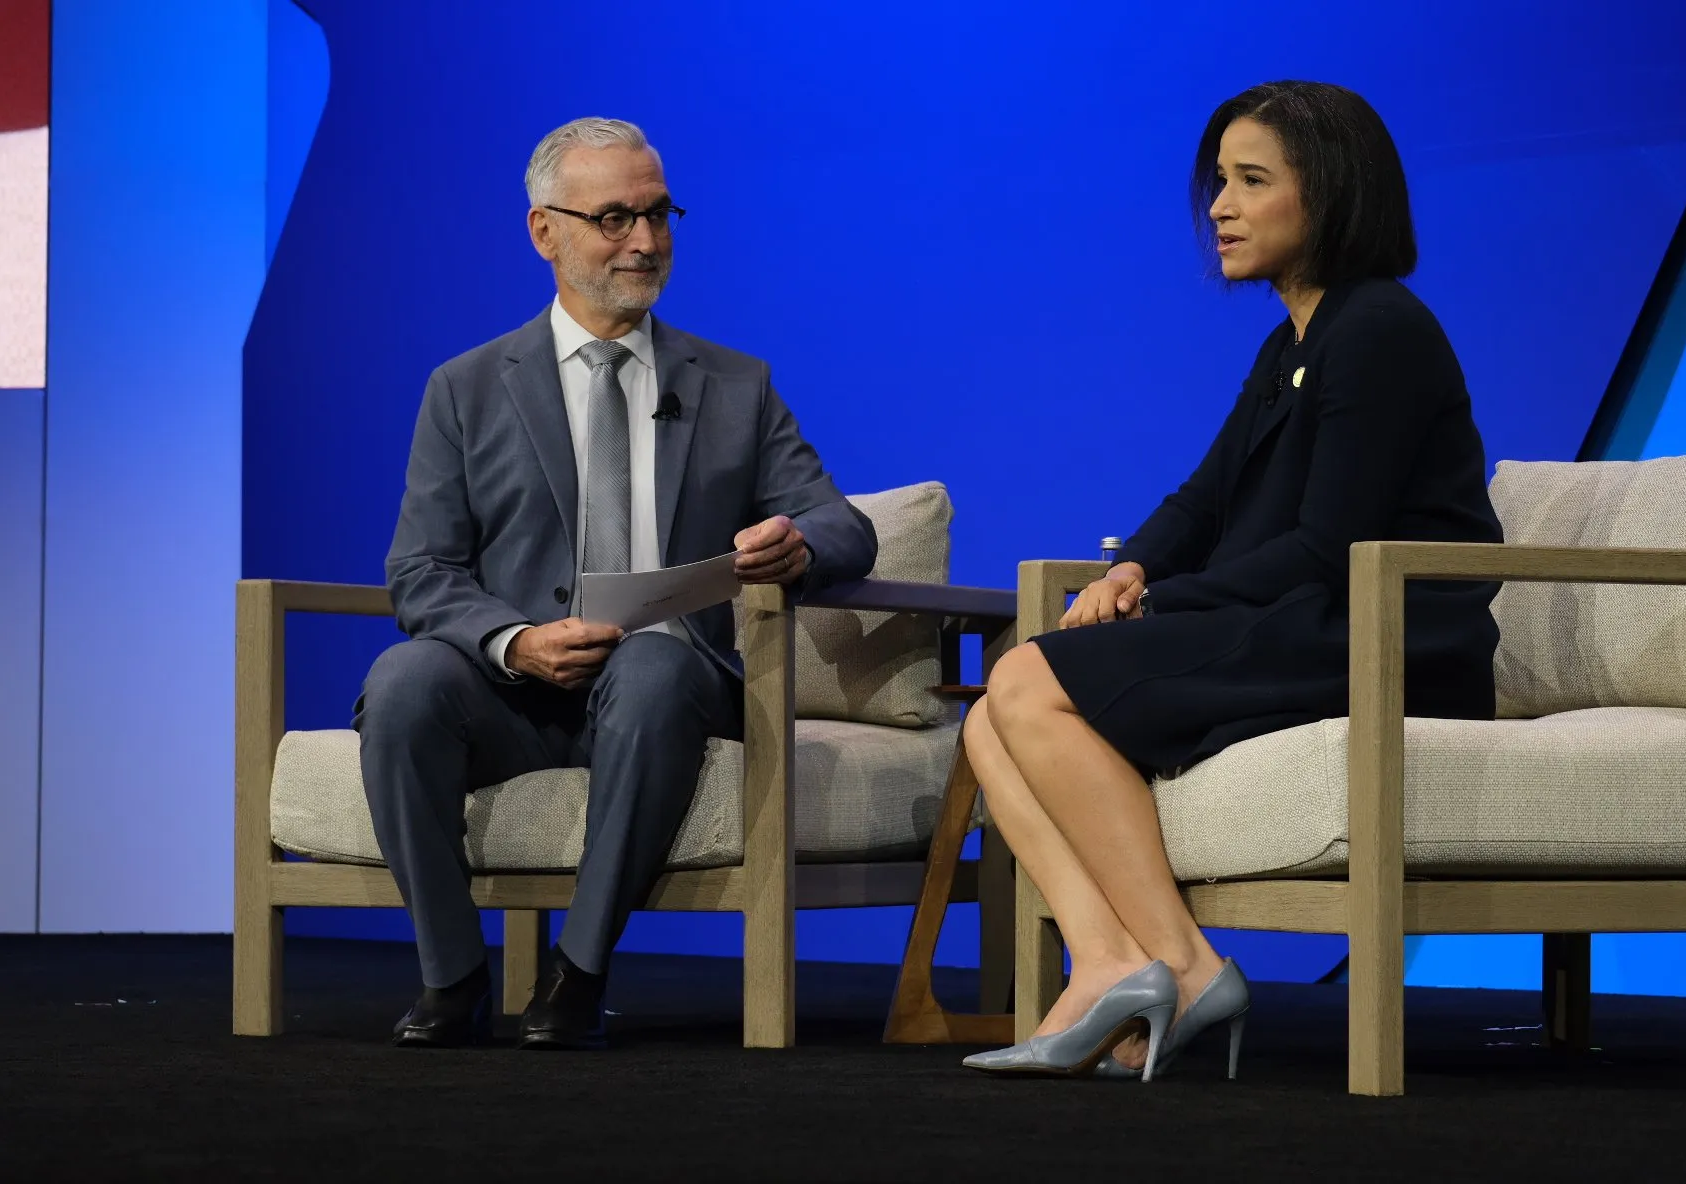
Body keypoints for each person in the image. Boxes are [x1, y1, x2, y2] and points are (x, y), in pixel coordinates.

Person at [961, 81, 1503, 1082]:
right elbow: (1206, 499)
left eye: (1251, 181)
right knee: (989, 715)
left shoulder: (1380, 328)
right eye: (1219, 181)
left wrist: (1159, 602)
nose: (1218, 205)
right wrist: (1132, 566)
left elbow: (1325, 545)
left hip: (1382, 634)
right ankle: (1108, 961)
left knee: (1029, 678)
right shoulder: (1292, 340)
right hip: (1309, 617)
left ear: (1330, 194)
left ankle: (1182, 961)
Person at [357, 117, 877, 1050]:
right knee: (401, 684)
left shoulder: (734, 384)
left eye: (657, 214)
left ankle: (578, 974)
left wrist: (797, 544)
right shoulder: (467, 389)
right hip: (515, 690)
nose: (644, 241)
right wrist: (514, 642)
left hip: (666, 689)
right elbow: (420, 569)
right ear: (544, 232)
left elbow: (844, 525)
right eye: (613, 219)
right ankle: (452, 975)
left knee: (650, 669)